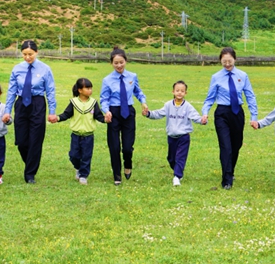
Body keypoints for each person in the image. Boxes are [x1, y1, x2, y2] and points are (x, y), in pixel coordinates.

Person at [200, 47, 258, 189]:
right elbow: (210, 98)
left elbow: (250, 95)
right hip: (222, 114)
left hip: (237, 113)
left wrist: (254, 116)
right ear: (220, 61)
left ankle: (230, 171)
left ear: (235, 60)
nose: (227, 64)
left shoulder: (243, 76)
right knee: (226, 146)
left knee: (236, 145)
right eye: (224, 61)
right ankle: (226, 179)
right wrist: (205, 112)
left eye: (229, 61)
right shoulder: (216, 77)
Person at [2, 40, 57, 184]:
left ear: (36, 53)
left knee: (35, 140)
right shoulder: (17, 69)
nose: (27, 57)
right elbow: (11, 91)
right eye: (25, 54)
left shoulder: (45, 69)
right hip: (21, 105)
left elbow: (50, 91)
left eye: (30, 54)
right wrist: (7, 111)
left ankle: (30, 174)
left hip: (38, 104)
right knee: (22, 142)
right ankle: (30, 163)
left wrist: (52, 111)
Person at [100, 47, 148, 185]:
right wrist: (106, 111)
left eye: (121, 62)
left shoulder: (132, 76)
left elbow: (138, 92)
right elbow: (104, 99)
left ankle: (128, 165)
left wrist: (143, 102)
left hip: (128, 113)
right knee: (114, 146)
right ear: (111, 63)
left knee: (127, 147)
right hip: (113, 114)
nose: (119, 65)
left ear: (126, 61)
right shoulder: (107, 80)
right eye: (116, 63)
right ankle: (117, 175)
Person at [145, 80, 202, 187]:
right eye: (177, 90)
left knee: (180, 157)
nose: (179, 93)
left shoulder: (188, 106)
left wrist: (202, 120)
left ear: (186, 93)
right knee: (171, 158)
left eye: (182, 91)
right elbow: (158, 114)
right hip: (171, 137)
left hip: (184, 137)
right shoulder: (168, 105)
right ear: (173, 92)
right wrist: (148, 114)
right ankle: (177, 170)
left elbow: (196, 117)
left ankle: (177, 177)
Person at [56, 78, 105, 185]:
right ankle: (78, 168)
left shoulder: (93, 103)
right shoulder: (73, 102)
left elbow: (99, 116)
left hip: (88, 136)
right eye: (87, 88)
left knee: (86, 156)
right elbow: (66, 114)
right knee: (73, 155)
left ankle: (83, 176)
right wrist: (57, 118)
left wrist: (106, 119)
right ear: (80, 90)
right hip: (76, 135)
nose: (90, 90)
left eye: (91, 88)